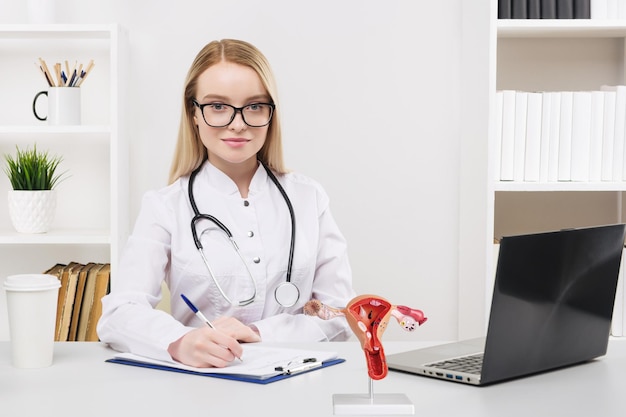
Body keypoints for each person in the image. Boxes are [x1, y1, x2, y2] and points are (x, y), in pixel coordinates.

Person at [97, 39, 356, 368]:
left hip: (295, 381)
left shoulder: (308, 198)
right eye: (218, 106)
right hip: (202, 385)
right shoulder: (164, 207)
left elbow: (342, 315)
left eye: (254, 106)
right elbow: (118, 314)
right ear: (194, 113)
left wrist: (260, 332)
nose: (238, 123)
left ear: (270, 113)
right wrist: (179, 342)